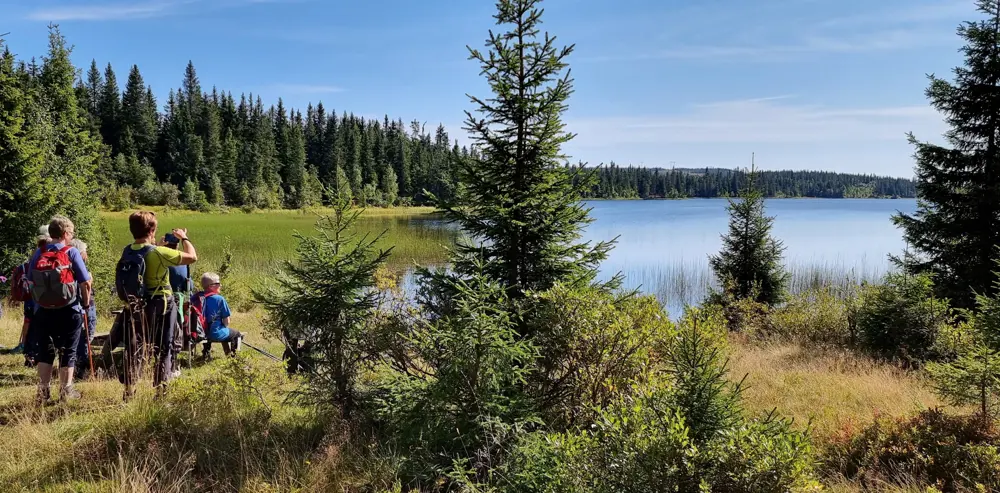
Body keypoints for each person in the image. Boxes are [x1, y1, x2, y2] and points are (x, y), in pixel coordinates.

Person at [120, 211, 197, 400]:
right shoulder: (159, 252)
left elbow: (145, 254)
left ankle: (129, 391)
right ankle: (160, 391)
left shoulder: (128, 250)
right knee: (164, 347)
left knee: (136, 346)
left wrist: (157, 244)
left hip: (137, 305)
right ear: (152, 230)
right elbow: (192, 257)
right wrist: (184, 237)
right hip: (162, 304)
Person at [28, 216, 92, 403]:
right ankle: (66, 391)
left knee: (45, 351)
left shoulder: (38, 253)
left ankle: (43, 392)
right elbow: (85, 282)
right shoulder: (71, 252)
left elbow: (30, 281)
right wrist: (86, 305)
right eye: (71, 233)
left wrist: (38, 303)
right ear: (65, 234)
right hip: (69, 309)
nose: (72, 237)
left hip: (43, 310)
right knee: (68, 350)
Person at [14, 225, 50, 360]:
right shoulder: (45, 252)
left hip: (33, 294)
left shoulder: (36, 253)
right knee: (37, 325)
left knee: (31, 323)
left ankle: (29, 352)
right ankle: (33, 353)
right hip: (42, 296)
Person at [162, 233, 191, 379]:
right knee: (175, 332)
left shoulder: (162, 257)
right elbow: (188, 284)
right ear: (177, 245)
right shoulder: (183, 260)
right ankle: (173, 364)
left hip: (163, 299)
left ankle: (169, 364)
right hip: (178, 301)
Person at [195, 272, 242, 356]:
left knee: (208, 327)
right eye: (218, 283)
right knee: (236, 334)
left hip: (198, 333)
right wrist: (224, 327)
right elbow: (226, 321)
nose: (220, 285)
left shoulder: (196, 298)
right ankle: (234, 358)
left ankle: (206, 353)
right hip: (215, 334)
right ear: (211, 286)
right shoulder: (219, 299)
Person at [70, 239, 98, 380]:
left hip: (70, 306)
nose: (87, 254)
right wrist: (87, 306)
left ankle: (73, 369)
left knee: (73, 339)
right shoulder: (80, 267)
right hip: (84, 306)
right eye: (85, 251)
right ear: (81, 253)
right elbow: (85, 286)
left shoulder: (67, 266)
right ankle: (82, 372)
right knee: (86, 338)